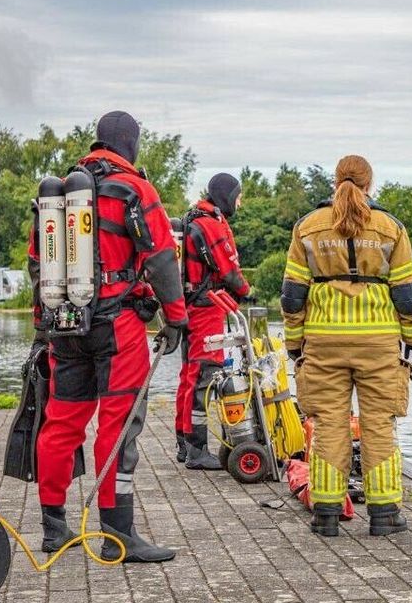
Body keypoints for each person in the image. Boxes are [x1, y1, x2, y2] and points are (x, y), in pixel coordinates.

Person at [32, 111, 188, 562]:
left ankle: (53, 528)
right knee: (118, 426)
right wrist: (175, 318)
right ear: (130, 144)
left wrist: (46, 322)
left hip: (65, 323)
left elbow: (37, 262)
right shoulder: (135, 188)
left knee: (61, 422)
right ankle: (118, 535)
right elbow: (160, 258)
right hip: (116, 326)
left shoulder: (59, 194)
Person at [282, 154, 412, 537]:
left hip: (323, 340)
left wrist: (296, 344)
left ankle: (326, 514)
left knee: (329, 423)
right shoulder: (390, 227)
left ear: (335, 181)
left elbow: (292, 296)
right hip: (378, 342)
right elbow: (407, 296)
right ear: (369, 183)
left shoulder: (307, 227)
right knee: (379, 424)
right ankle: (385, 515)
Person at [174, 172, 251, 470]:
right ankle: (197, 450)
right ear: (226, 196)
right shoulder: (212, 224)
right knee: (206, 376)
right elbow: (229, 271)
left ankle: (184, 442)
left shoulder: (194, 218)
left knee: (189, 375)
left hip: (189, 305)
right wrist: (246, 292)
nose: (240, 203)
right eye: (238, 196)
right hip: (207, 308)